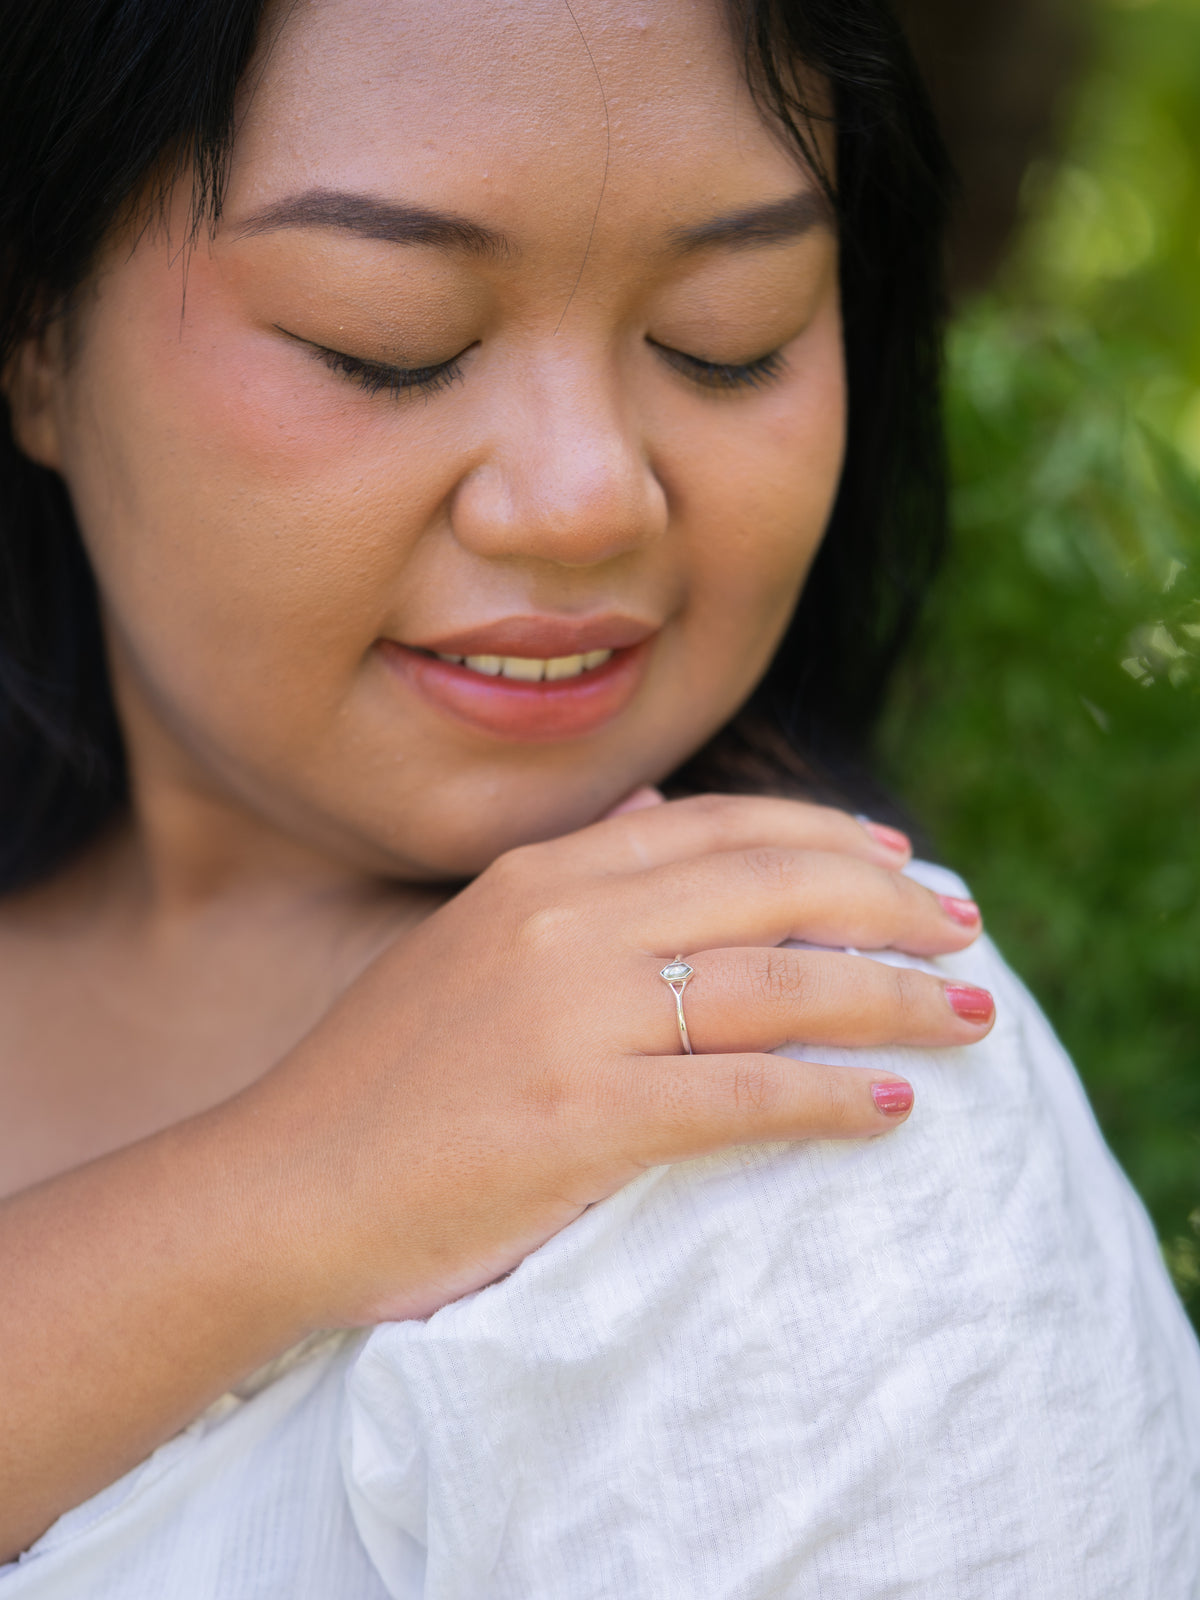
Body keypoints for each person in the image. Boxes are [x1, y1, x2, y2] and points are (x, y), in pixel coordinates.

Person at [0, 0, 1196, 1594]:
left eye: (731, 333)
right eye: (390, 340)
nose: (582, 501)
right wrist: (285, 1185)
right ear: (34, 336)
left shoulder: (795, 1097)